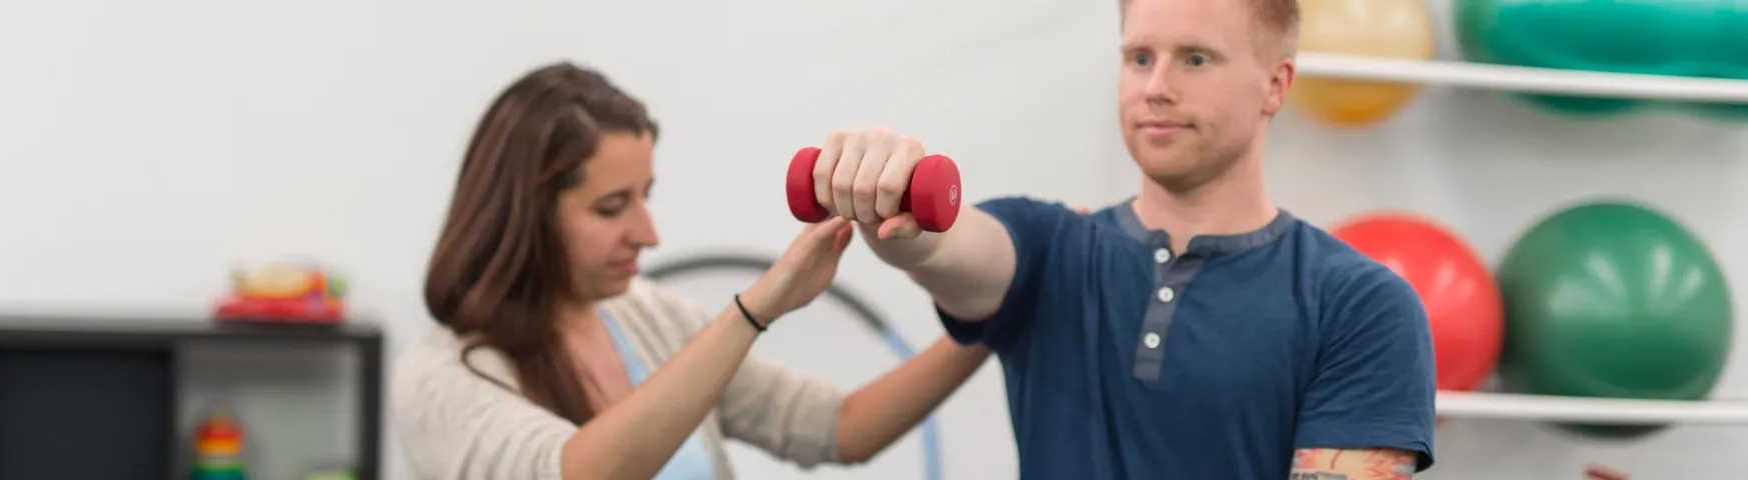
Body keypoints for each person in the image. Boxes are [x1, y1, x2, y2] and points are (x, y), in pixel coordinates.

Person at [799, 0, 1437, 477]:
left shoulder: (1360, 305)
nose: (1157, 87)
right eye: (1139, 58)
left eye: (1195, 59)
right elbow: (946, 248)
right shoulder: (1050, 247)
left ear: (1276, 84)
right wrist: (893, 208)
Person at [390, 62, 991, 480]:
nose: (647, 234)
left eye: (645, 197)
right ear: (524, 214)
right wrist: (755, 311)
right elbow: (576, 472)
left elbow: (838, 427)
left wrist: (993, 316)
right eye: (611, 207)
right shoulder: (441, 376)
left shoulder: (651, 316)